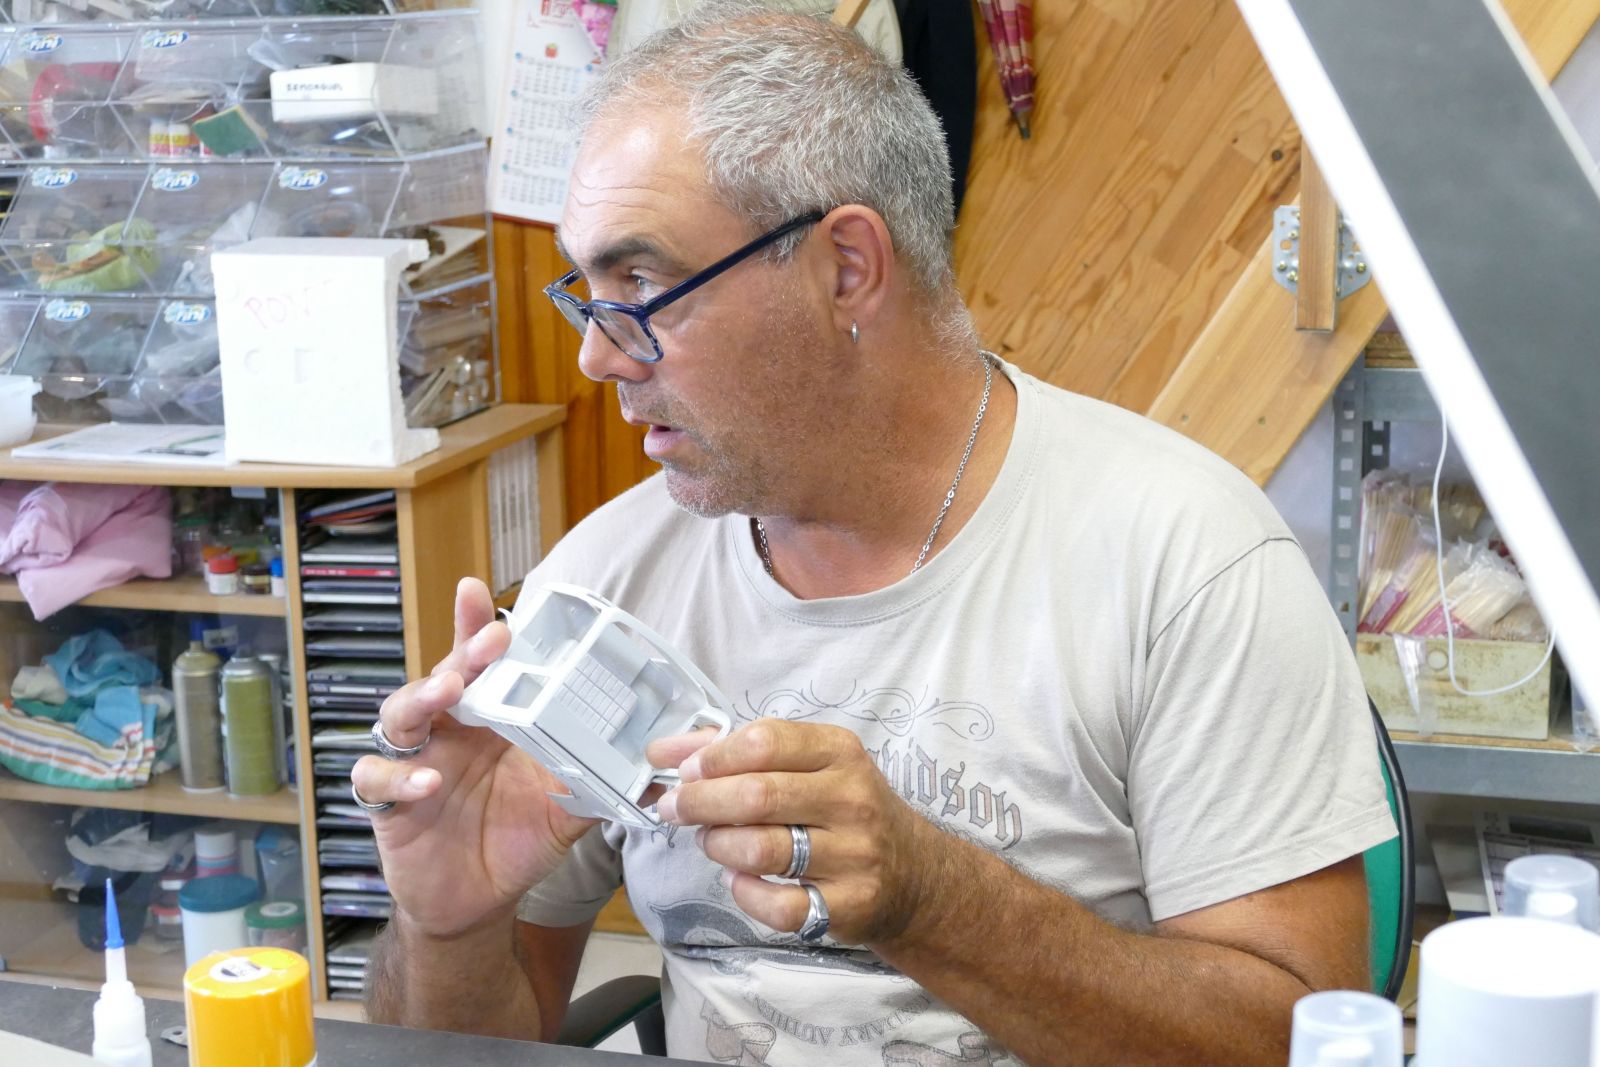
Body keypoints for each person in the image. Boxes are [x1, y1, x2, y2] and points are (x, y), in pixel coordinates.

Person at [354, 4, 1396, 1063]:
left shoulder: (1187, 560)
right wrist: (448, 925)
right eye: (589, 291)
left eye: (646, 285)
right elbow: (461, 1046)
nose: (598, 356)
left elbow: (1295, 1038)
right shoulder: (605, 586)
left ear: (846, 266)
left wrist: (935, 902)